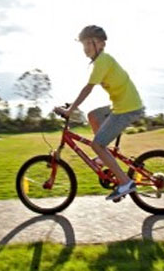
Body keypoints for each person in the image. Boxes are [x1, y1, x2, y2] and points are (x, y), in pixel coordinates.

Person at [54, 25, 145, 201]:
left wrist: (69, 110)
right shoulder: (100, 62)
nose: (86, 48)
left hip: (127, 108)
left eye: (90, 43)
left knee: (97, 145)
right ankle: (105, 157)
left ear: (101, 44)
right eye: (84, 44)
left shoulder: (103, 60)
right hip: (122, 106)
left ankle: (125, 182)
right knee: (93, 116)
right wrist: (72, 107)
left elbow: (88, 89)